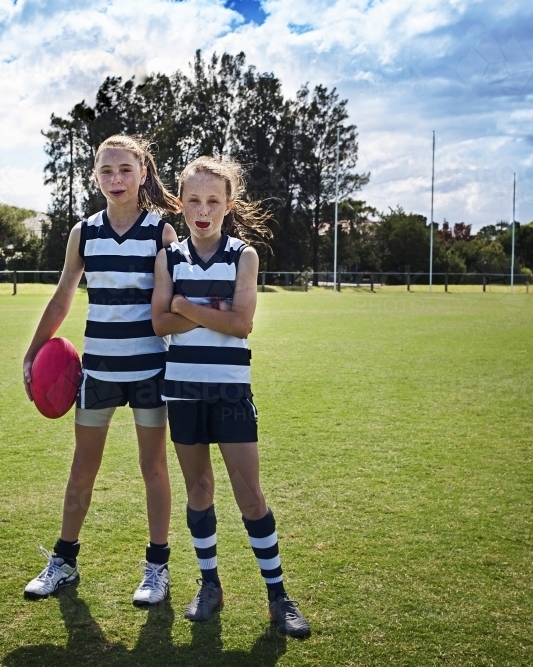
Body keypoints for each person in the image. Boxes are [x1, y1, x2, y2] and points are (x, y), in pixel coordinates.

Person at [151, 156, 311, 638]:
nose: (203, 210)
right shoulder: (168, 258)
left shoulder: (244, 256)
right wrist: (206, 309)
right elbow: (160, 323)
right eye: (194, 200)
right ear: (180, 203)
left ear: (228, 205)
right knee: (199, 492)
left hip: (230, 390)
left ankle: (278, 595)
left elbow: (241, 323)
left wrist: (182, 304)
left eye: (213, 201)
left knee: (250, 494)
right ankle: (210, 584)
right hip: (181, 391)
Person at [22, 135, 180, 605]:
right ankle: (64, 561)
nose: (115, 179)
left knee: (153, 467)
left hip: (151, 370)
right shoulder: (83, 233)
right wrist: (32, 353)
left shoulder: (161, 233)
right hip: (99, 371)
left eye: (125, 170)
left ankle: (157, 568)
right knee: (82, 469)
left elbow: (173, 305)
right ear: (95, 176)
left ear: (143, 174)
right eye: (106, 170)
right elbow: (63, 297)